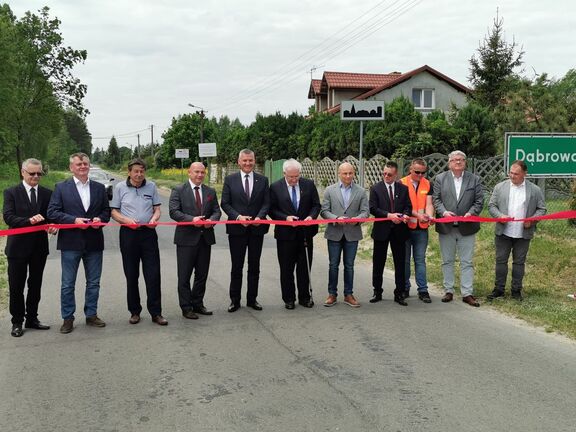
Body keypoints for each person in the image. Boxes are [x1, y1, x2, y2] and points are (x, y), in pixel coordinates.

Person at [47, 152, 111, 334]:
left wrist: (100, 219)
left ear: (89, 166)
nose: (82, 166)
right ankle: (68, 318)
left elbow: (106, 211)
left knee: (94, 282)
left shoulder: (99, 188)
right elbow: (53, 212)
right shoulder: (61, 187)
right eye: (79, 164)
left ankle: (91, 314)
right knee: (68, 283)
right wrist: (74, 220)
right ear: (71, 168)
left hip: (94, 242)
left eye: (85, 163)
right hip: (70, 242)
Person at [3, 158, 57, 337]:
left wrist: (53, 225)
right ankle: (17, 321)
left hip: (39, 248)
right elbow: (9, 217)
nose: (35, 176)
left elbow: (50, 217)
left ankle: (32, 318)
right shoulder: (11, 192)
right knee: (16, 286)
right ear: (23, 172)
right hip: (17, 248)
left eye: (39, 173)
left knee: (35, 285)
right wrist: (28, 221)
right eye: (32, 173)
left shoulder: (47, 193)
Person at [110, 158, 167, 326]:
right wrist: (127, 221)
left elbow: (157, 208)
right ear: (129, 172)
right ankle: (134, 311)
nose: (139, 174)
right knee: (131, 274)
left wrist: (155, 218)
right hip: (128, 235)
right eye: (136, 171)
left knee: (153, 275)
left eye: (142, 171)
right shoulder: (120, 188)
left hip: (148, 234)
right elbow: (114, 212)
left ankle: (156, 313)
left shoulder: (151, 186)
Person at [487, 160, 546, 301]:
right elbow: (491, 206)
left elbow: (542, 209)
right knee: (500, 261)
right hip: (503, 232)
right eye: (511, 173)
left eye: (516, 174)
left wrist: (531, 220)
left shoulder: (534, 190)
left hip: (523, 234)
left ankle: (516, 291)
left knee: (519, 263)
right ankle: (498, 289)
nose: (512, 176)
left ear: (524, 174)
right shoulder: (500, 187)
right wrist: (500, 216)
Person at [169, 162, 221, 319]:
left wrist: (211, 221)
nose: (200, 175)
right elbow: (174, 212)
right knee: (184, 276)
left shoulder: (210, 191)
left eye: (202, 172)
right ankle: (186, 307)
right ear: (189, 173)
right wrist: (192, 219)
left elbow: (217, 211)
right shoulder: (178, 190)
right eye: (196, 172)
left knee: (202, 275)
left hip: (205, 238)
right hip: (186, 240)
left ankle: (198, 303)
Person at [432, 150, 484, 307]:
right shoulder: (440, 179)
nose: (458, 162)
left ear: (465, 162)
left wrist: (471, 213)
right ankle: (448, 290)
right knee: (447, 261)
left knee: (466, 262)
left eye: (461, 160)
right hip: (446, 227)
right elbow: (436, 199)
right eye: (455, 160)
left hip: (467, 227)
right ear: (449, 163)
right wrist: (443, 212)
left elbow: (479, 201)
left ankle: (467, 293)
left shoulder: (474, 179)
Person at [221, 149, 270, 312]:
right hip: (237, 230)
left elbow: (266, 203)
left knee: (254, 266)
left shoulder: (263, 180)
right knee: (237, 266)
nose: (248, 163)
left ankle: (252, 299)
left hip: (257, 229)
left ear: (254, 161)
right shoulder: (230, 180)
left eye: (250, 160)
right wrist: (237, 217)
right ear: (239, 162)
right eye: (245, 161)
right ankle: (235, 300)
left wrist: (259, 217)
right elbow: (225, 203)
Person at [269, 159, 321, 309]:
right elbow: (271, 210)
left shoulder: (308, 184)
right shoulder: (275, 187)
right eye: (290, 177)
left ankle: (304, 297)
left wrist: (311, 216)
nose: (293, 179)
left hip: (305, 233)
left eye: (296, 176)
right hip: (285, 234)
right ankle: (289, 298)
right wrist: (285, 218)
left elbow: (316, 205)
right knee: (286, 268)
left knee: (304, 266)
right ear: (284, 173)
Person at [320, 162, 369, 308]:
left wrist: (358, 219)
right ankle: (332, 294)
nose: (348, 176)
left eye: (350, 173)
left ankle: (348, 294)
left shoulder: (361, 191)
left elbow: (365, 211)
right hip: (334, 233)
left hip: (352, 234)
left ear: (354, 173)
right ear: (339, 173)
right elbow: (324, 211)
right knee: (333, 265)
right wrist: (335, 218)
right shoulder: (329, 190)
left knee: (349, 266)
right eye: (345, 173)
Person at [369, 161, 412, 306]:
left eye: (389, 174)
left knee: (400, 263)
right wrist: (389, 215)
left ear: (396, 175)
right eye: (384, 173)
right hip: (382, 230)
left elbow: (408, 206)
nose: (386, 176)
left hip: (399, 231)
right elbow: (373, 208)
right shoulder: (375, 188)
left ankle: (399, 293)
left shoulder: (403, 188)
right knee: (378, 262)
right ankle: (377, 291)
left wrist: (405, 215)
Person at [400, 158, 435, 303]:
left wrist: (430, 215)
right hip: (405, 228)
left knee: (420, 260)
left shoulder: (427, 183)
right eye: (417, 172)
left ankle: (423, 290)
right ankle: (405, 288)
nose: (420, 175)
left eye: (423, 172)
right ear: (410, 169)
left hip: (422, 228)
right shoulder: (401, 183)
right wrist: (418, 215)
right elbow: (402, 206)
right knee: (405, 260)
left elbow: (429, 203)